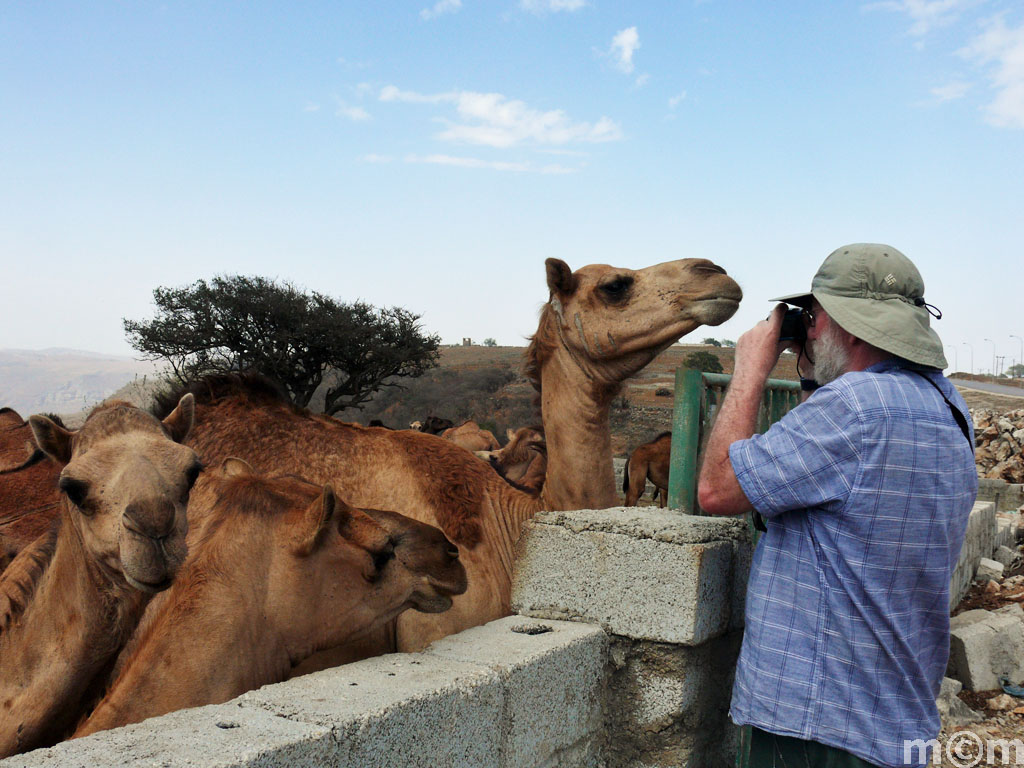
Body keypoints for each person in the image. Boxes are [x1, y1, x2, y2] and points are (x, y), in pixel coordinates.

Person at [697, 244, 977, 767]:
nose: (811, 327)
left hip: (818, 726)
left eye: (816, 315)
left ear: (848, 325)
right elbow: (820, 475)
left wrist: (751, 369)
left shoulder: (853, 410)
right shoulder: (949, 406)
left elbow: (717, 490)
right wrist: (812, 373)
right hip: (895, 717)